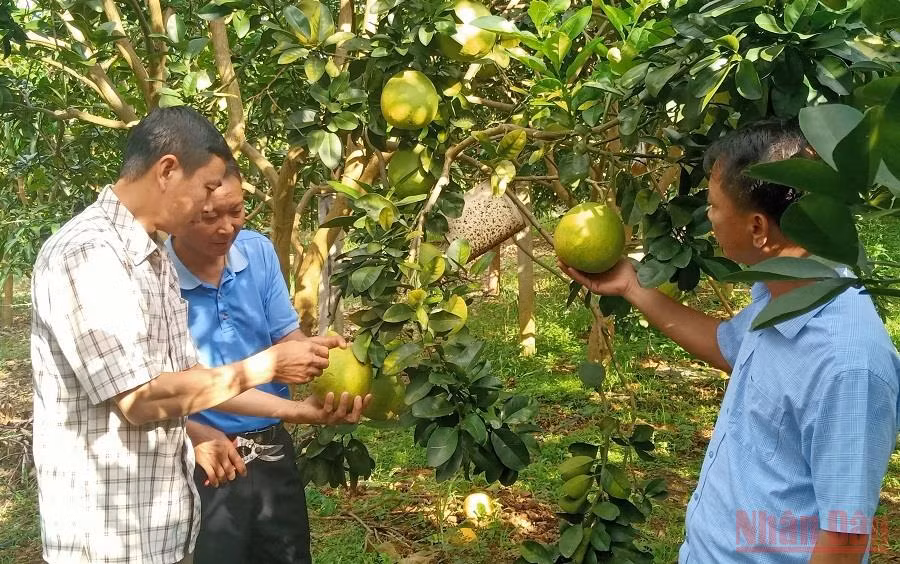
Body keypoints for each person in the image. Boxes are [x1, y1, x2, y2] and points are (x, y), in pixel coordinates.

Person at [560, 122, 899, 563]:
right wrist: (631, 285)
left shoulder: (849, 366)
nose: (709, 217)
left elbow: (845, 538)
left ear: (758, 227)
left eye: (714, 206)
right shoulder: (789, 290)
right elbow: (730, 348)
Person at [30, 107, 344, 564]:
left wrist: (297, 411)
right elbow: (141, 400)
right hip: (108, 537)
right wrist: (267, 365)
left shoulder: (148, 257)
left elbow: (192, 381)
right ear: (168, 171)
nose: (208, 207)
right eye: (206, 188)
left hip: (162, 524)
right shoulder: (89, 254)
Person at [164, 163, 371, 564]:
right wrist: (191, 431)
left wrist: (317, 355)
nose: (226, 227)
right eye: (209, 216)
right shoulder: (158, 277)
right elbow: (161, 387)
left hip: (272, 447)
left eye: (237, 211)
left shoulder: (257, 252)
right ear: (175, 213)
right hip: (209, 456)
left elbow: (285, 336)